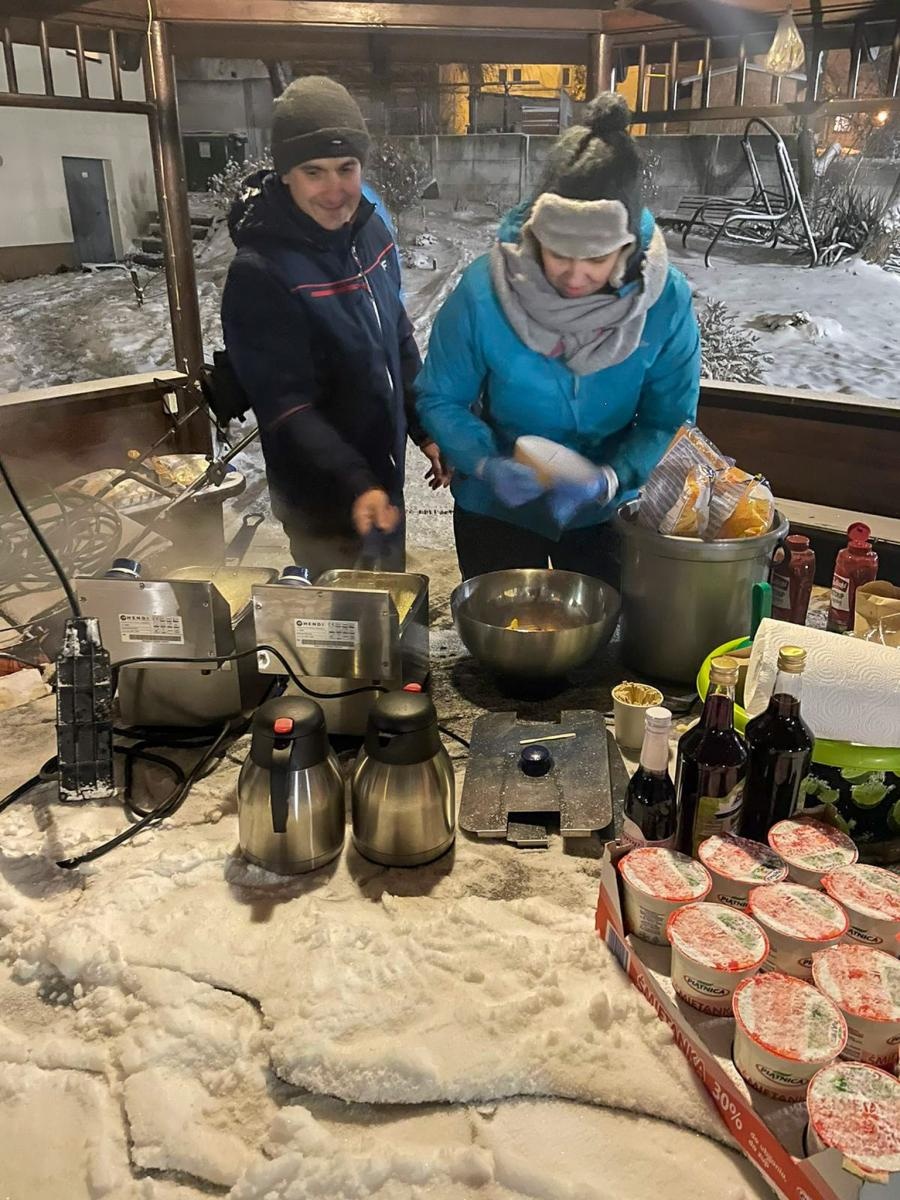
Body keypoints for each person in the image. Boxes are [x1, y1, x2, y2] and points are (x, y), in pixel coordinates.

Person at [415, 93, 701, 583]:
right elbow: (440, 397)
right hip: (496, 509)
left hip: (608, 513)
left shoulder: (664, 305)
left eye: (595, 257)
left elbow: (670, 419)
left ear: (627, 248)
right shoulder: (486, 292)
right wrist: (484, 463)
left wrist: (613, 476)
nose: (573, 275)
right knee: (504, 640)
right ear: (534, 235)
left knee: (605, 641)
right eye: (557, 252)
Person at [221, 75, 448, 577]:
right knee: (341, 637)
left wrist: (426, 429)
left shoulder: (370, 233)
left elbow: (399, 337)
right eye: (313, 172)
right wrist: (354, 482)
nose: (334, 190)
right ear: (285, 176)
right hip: (323, 499)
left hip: (379, 482)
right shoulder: (261, 271)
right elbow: (286, 405)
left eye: (346, 168)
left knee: (389, 613)